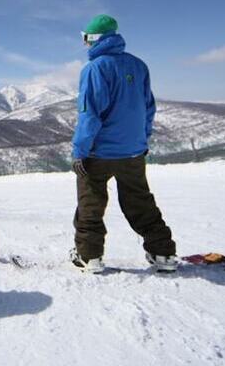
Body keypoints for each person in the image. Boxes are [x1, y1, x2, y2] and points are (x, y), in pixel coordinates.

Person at [70, 14, 177, 273]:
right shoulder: (139, 66)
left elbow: (90, 114)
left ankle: (89, 255)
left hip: (99, 154)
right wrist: (142, 139)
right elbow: (148, 108)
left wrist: (79, 152)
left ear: (95, 38)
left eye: (86, 38)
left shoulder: (95, 69)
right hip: (133, 153)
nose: (84, 44)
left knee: (91, 203)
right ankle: (163, 253)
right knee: (140, 202)